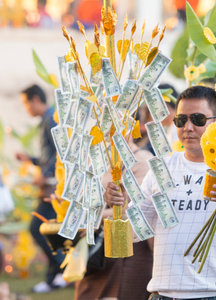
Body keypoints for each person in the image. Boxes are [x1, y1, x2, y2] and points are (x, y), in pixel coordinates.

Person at [105, 86, 216, 299]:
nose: (187, 127)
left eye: (197, 119)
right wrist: (119, 207)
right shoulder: (161, 168)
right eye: (180, 120)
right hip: (163, 294)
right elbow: (134, 234)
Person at [75, 141, 154, 300]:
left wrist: (94, 218)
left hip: (131, 246)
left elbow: (136, 210)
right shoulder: (99, 158)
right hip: (101, 246)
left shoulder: (142, 160)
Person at [16, 84, 66, 293]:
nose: (26, 108)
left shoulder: (52, 118)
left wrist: (44, 176)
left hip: (53, 190)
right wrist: (31, 160)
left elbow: (60, 154)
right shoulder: (46, 119)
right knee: (48, 232)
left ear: (36, 99)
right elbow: (48, 158)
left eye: (26, 103)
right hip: (49, 188)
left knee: (38, 228)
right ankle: (54, 276)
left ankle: (64, 268)